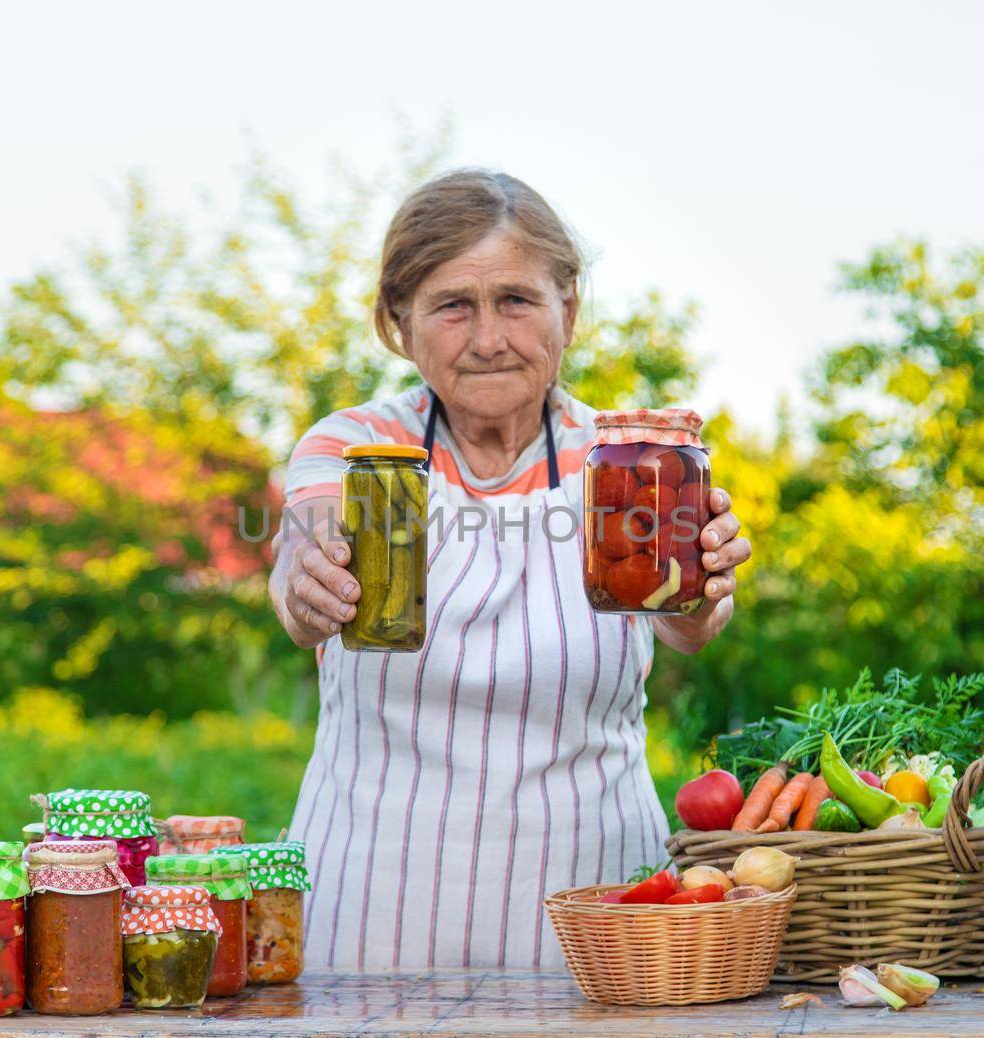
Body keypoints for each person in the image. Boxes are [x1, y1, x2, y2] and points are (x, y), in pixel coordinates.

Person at [271, 169, 751, 969]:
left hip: (594, 915)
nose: (489, 338)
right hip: (369, 912)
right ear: (400, 321)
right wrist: (305, 587)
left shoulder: (632, 454)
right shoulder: (356, 448)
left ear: (569, 310)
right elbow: (303, 564)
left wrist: (701, 587)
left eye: (517, 301)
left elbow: (689, 626)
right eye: (453, 305)